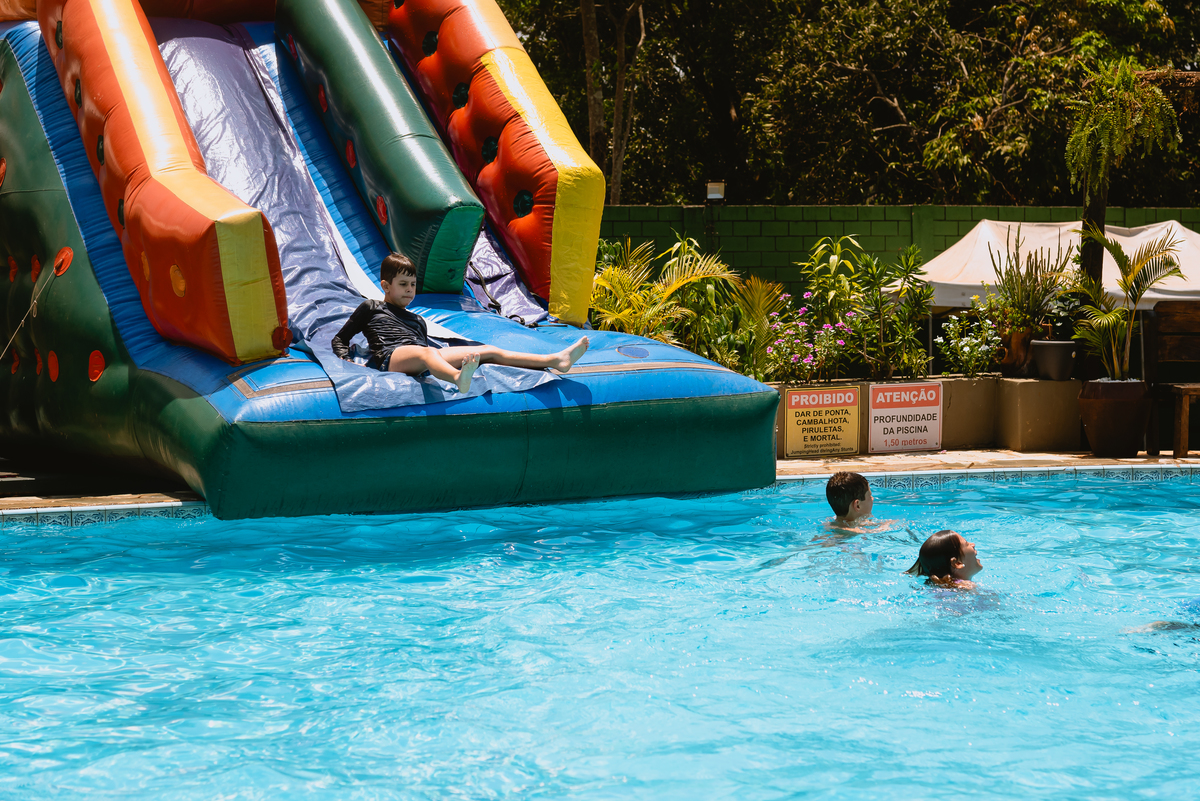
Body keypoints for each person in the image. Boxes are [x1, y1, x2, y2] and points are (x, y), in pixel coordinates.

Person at [332, 252, 589, 393]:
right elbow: (340, 338)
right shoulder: (371, 307)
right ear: (385, 286)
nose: (410, 290)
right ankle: (458, 378)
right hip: (391, 358)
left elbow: (424, 350)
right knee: (427, 353)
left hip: (421, 357)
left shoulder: (417, 320)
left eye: (413, 284)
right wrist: (344, 357)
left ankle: (554, 360)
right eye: (403, 284)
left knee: (488, 350)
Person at [905, 530, 983, 587]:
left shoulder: (937, 586)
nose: (973, 544)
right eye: (967, 544)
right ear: (957, 563)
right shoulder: (966, 587)